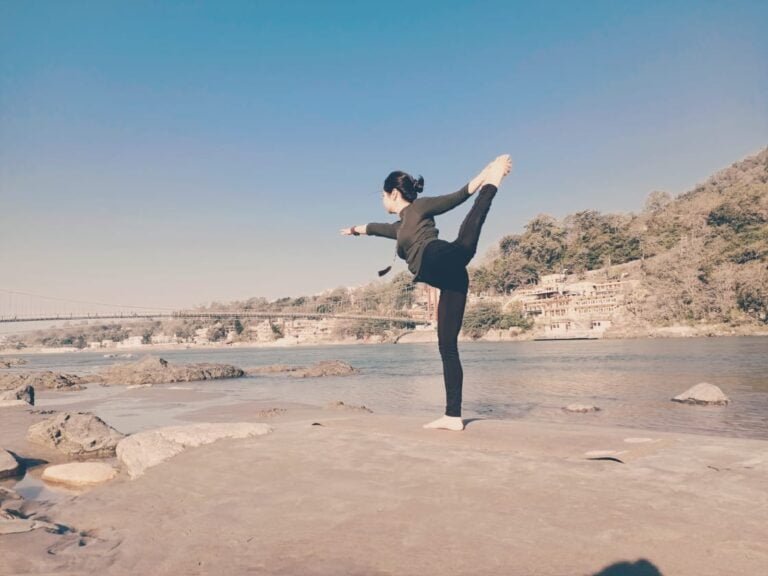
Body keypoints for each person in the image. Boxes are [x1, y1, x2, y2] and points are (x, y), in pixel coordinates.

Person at [340, 154, 513, 430]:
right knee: (447, 346)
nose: (382, 201)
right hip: (449, 279)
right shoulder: (399, 227)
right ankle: (452, 416)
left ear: (393, 193)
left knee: (464, 247)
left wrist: (486, 175)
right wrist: (353, 230)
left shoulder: (419, 208)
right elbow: (374, 228)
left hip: (435, 257)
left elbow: (458, 196)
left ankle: (494, 183)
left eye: (383, 196)